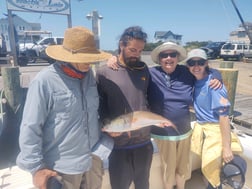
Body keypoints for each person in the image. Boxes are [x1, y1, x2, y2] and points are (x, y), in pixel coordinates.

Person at [16, 26, 112, 189]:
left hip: (92, 162)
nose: (88, 62)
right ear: (66, 57)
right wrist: (36, 169)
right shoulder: (43, 81)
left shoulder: (89, 75)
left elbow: (93, 114)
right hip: (61, 170)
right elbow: (30, 127)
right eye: (84, 57)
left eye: (90, 57)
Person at [147, 42, 223, 189]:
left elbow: (205, 70)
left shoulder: (186, 72)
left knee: (183, 168)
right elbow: (129, 70)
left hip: (185, 131)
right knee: (169, 169)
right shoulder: (150, 73)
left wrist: (217, 76)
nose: (168, 58)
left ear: (177, 57)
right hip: (163, 133)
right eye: (164, 55)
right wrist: (114, 60)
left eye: (172, 54)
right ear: (159, 58)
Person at [96, 26, 153, 189]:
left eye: (140, 51)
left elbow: (148, 98)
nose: (137, 54)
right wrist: (106, 125)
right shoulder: (103, 72)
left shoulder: (143, 69)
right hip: (119, 146)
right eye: (133, 49)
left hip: (144, 143)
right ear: (122, 45)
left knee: (143, 185)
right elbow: (100, 108)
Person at [186, 48, 243, 189]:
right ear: (187, 66)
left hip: (215, 131)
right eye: (192, 63)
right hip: (202, 129)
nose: (196, 66)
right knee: (208, 169)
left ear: (207, 63)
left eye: (200, 62)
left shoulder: (214, 86)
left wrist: (226, 147)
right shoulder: (194, 81)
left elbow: (224, 118)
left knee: (211, 171)